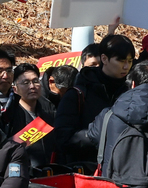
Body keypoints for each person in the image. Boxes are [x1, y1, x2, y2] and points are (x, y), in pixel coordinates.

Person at [54, 34, 135, 162]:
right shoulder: (78, 94)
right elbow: (62, 139)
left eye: (130, 61)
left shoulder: (132, 92)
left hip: (122, 169)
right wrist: (94, 135)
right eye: (121, 60)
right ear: (104, 58)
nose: (126, 66)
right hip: (86, 170)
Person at [3, 62, 57, 169]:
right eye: (26, 82)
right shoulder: (10, 117)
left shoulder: (49, 112)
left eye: (35, 81)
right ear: (15, 89)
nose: (32, 86)